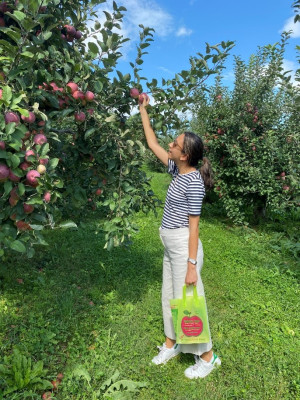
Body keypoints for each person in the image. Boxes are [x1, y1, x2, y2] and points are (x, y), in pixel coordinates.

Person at [139, 96, 221, 379]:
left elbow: (195, 226)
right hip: (170, 243)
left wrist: (190, 265)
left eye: (174, 144)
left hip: (183, 245)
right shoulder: (177, 170)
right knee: (169, 296)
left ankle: (207, 356)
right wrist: (143, 109)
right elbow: (152, 144)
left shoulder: (194, 182)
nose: (170, 146)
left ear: (185, 154)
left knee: (189, 300)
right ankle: (172, 343)